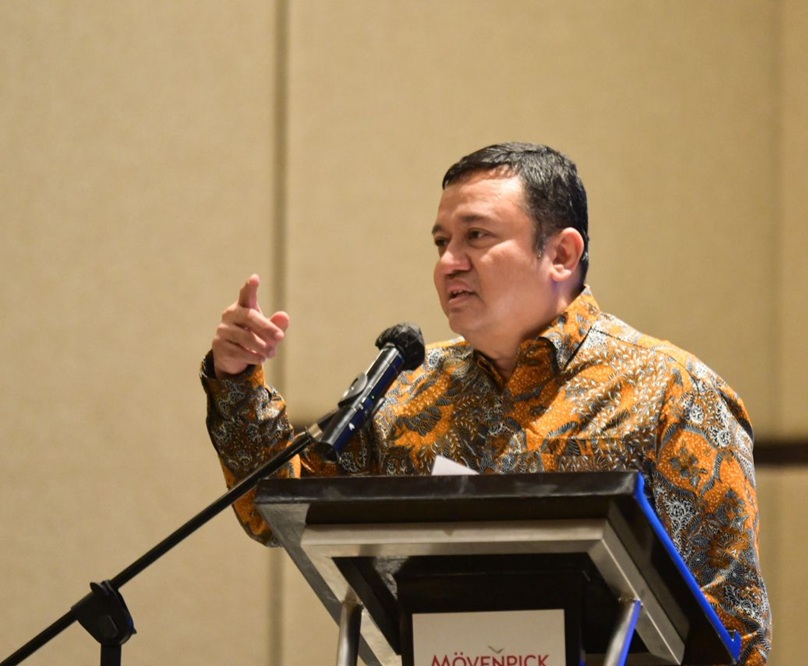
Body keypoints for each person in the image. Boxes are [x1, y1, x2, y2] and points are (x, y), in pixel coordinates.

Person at [201, 142, 771, 664]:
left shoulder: (672, 394)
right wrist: (237, 381)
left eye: (476, 236)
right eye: (441, 242)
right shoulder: (406, 391)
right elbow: (275, 511)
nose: (449, 261)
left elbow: (731, 629)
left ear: (561, 254)